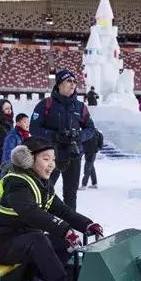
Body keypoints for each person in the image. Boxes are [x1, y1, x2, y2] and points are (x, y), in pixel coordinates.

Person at [0, 137, 104, 281]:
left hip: (23, 239)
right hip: (2, 244)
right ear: (28, 160)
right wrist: (64, 229)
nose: (51, 164)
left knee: (63, 242)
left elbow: (63, 211)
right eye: (46, 159)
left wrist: (87, 224)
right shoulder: (17, 184)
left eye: (53, 159)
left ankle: (37, 279)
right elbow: (31, 213)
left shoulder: (42, 184)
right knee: (38, 239)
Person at [29, 69, 95, 212]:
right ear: (59, 84)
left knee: (71, 195)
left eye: (75, 81)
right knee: (42, 192)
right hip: (49, 157)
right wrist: (54, 136)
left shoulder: (80, 107)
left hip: (73, 156)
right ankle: (40, 221)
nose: (73, 84)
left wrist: (79, 136)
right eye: (68, 81)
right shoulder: (45, 105)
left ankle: (70, 223)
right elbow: (34, 129)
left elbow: (91, 129)